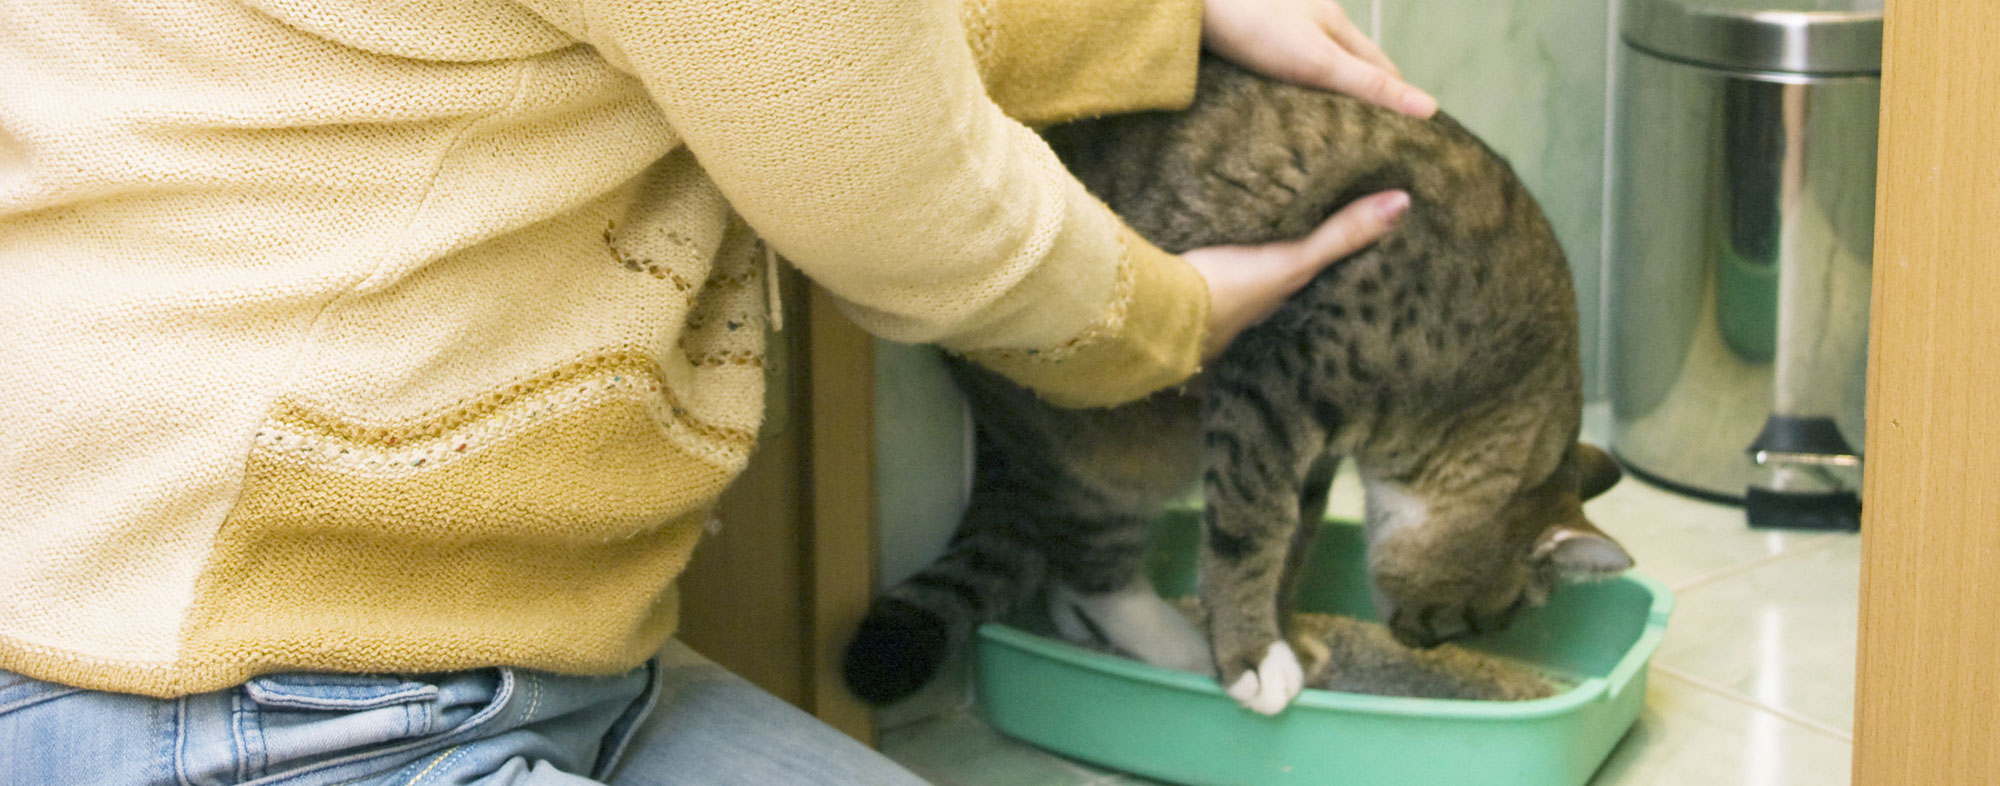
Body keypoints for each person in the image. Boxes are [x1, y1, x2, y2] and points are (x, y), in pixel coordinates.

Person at [0, 0, 1432, 782]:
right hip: (265, 697)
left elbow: (796, 37)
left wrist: (1158, 19)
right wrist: (1174, 317)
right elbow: (918, 211)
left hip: (298, 632)